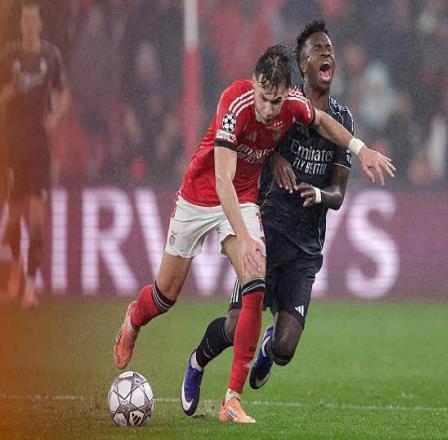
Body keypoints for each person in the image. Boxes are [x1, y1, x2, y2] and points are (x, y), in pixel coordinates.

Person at [114, 43, 394, 424]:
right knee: (165, 295)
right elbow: (222, 180)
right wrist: (245, 238)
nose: (268, 109)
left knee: (255, 284)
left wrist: (362, 150)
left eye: (276, 101)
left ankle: (231, 400)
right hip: (202, 195)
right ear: (254, 83)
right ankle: (134, 319)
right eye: (263, 97)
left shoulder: (292, 104)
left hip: (244, 198)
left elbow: (323, 123)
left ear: (285, 94)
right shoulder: (235, 104)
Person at [181, 19, 362, 417]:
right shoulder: (283, 105)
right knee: (234, 327)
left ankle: (267, 346)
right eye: (318, 49)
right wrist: (274, 156)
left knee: (283, 350)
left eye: (330, 49)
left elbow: (338, 193)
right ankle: (197, 361)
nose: (327, 53)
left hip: (305, 250)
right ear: (303, 64)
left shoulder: (342, 120)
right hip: (266, 233)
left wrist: (319, 193)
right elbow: (251, 145)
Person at [0, 0, 69, 307]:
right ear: (21, 24)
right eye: (25, 21)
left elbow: (62, 92)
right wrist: (9, 93)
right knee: (13, 219)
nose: (29, 26)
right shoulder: (9, 57)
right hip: (13, 147)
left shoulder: (50, 57)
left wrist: (55, 116)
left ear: (40, 24)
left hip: (39, 147)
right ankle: (16, 263)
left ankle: (30, 285)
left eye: (33, 21)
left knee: (38, 219)